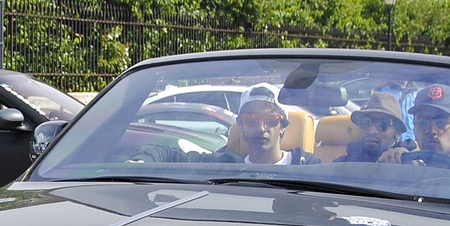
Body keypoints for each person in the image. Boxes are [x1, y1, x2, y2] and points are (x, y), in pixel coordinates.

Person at [130, 83, 320, 166]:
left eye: (271, 120)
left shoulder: (306, 167)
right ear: (241, 125)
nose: (262, 128)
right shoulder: (225, 166)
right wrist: (140, 162)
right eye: (252, 119)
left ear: (283, 126)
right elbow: (166, 154)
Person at [404, 85, 450, 171]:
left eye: (441, 123)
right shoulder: (410, 164)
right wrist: (396, 161)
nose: (430, 130)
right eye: (422, 123)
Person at [334, 93, 409, 162]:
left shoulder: (409, 166)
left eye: (382, 124)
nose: (371, 131)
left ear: (398, 132)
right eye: (365, 123)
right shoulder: (341, 166)